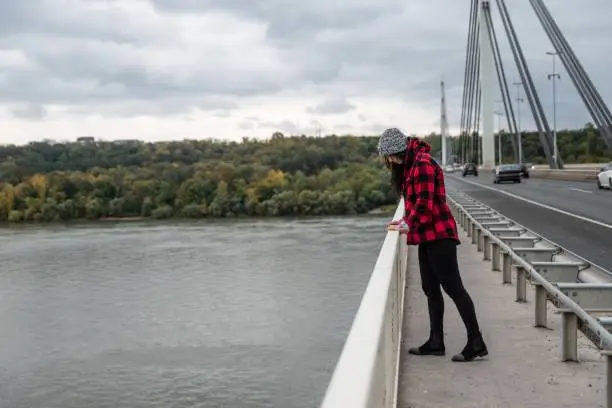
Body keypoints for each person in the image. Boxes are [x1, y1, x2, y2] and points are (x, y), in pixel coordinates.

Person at [377, 127, 488, 362]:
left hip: (439, 235)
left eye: (387, 156)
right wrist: (404, 220)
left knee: (453, 288)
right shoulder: (413, 164)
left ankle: (476, 341)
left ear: (393, 152)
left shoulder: (422, 164)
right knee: (430, 288)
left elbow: (426, 204)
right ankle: (436, 341)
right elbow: (417, 205)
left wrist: (408, 224)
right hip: (427, 236)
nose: (389, 162)